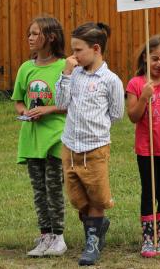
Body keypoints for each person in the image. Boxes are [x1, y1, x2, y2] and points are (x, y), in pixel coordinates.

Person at [55, 22, 124, 266]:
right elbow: (61, 103)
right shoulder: (72, 75)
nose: (72, 56)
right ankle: (98, 226)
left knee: (96, 198)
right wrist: (65, 74)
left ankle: (92, 243)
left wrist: (97, 130)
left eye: (77, 51)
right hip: (70, 147)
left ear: (96, 49)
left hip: (95, 148)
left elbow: (116, 113)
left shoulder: (110, 80)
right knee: (78, 199)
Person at [12, 15, 68, 257]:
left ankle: (59, 237)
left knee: (53, 187)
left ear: (51, 37)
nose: (30, 38)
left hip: (55, 138)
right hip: (32, 139)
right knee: (39, 190)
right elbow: (17, 101)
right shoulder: (26, 68)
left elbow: (71, 103)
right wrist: (25, 112)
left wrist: (48, 109)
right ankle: (45, 235)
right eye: (29, 34)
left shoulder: (65, 67)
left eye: (35, 34)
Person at [126, 35, 160, 258]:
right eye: (155, 58)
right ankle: (149, 239)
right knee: (149, 192)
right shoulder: (136, 83)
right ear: (144, 58)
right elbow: (133, 116)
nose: (159, 63)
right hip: (146, 148)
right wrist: (143, 98)